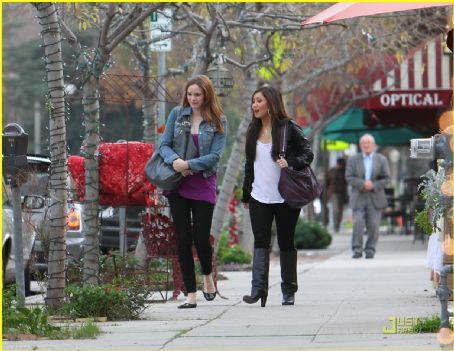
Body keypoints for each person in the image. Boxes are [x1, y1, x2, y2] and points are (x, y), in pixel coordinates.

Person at [158, 75, 228, 309]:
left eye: (197, 94)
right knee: (183, 238)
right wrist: (176, 161)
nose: (193, 99)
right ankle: (190, 294)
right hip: (178, 182)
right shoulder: (177, 115)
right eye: (190, 94)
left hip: (203, 182)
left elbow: (215, 156)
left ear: (206, 95)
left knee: (200, 237)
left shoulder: (218, 120)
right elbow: (164, 144)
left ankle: (208, 276)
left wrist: (190, 165)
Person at [241, 86, 314, 307]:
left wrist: (291, 162)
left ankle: (289, 290)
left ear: (271, 103)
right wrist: (246, 194)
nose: (255, 105)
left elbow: (308, 153)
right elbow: (249, 165)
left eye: (259, 101)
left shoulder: (288, 128)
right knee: (261, 242)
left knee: (286, 242)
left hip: (286, 196)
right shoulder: (251, 130)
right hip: (259, 195)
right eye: (253, 101)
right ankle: (257, 290)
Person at [345, 134, 390, 259]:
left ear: (373, 145)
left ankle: (370, 250)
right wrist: (362, 184)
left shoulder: (382, 159)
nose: (366, 145)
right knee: (357, 223)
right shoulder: (353, 160)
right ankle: (357, 250)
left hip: (375, 197)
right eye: (363, 142)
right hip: (358, 196)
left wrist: (373, 185)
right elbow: (349, 177)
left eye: (369, 142)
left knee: (374, 226)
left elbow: (386, 178)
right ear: (360, 145)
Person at [326, 158, 348, 232]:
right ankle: (335, 226)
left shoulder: (345, 172)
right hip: (333, 193)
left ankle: (338, 225)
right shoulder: (332, 171)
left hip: (342, 193)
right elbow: (327, 182)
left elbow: (347, 183)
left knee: (340, 211)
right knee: (335, 210)